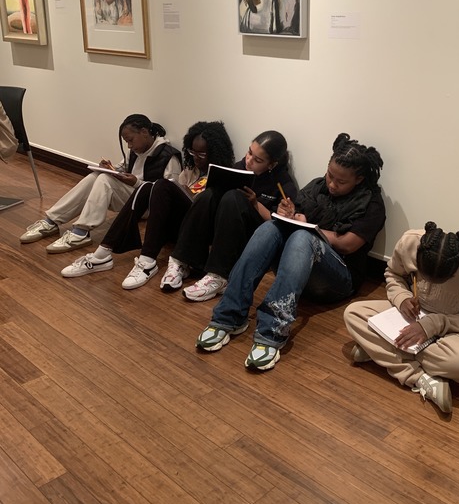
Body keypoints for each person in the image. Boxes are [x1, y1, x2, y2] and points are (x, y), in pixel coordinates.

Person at [195, 132, 385, 371]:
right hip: (299, 267)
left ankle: (272, 330)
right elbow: (296, 217)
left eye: (341, 181)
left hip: (339, 278)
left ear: (358, 180)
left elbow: (348, 244)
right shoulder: (318, 186)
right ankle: (228, 315)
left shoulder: (371, 203)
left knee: (304, 237)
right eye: (329, 175)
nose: (331, 184)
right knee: (271, 228)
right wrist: (291, 215)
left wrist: (308, 226)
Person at [344, 221, 459, 414]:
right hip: (414, 315)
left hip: (457, 327)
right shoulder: (409, 242)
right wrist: (402, 298)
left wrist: (434, 324)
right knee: (353, 314)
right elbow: (393, 275)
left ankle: (380, 350)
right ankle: (421, 377)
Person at [60, 121, 234, 287]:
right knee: (147, 187)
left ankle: (147, 260)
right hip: (175, 227)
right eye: (192, 152)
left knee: (162, 184)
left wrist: (183, 192)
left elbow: (213, 212)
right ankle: (104, 253)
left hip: (197, 230)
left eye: (201, 154)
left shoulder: (222, 176)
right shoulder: (191, 169)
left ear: (216, 152)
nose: (195, 158)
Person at [163, 129, 297, 299]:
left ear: (271, 164)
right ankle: (183, 261)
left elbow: (276, 224)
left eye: (258, 160)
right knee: (208, 195)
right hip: (227, 224)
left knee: (233, 198)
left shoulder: (283, 183)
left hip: (255, 234)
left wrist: (255, 203)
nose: (249, 160)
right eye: (249, 152)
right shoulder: (240, 166)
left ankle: (220, 275)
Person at [19, 114, 181, 253]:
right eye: (126, 142)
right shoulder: (136, 150)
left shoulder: (169, 156)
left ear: (144, 132)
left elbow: (169, 196)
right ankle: (52, 221)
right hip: (134, 199)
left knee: (105, 180)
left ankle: (81, 232)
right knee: (96, 176)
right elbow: (122, 168)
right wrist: (108, 168)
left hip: (149, 208)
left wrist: (137, 182)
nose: (129, 146)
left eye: (130, 140)